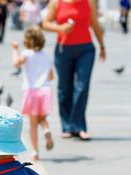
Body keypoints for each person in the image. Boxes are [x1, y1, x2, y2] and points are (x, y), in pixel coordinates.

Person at [42, 0, 106, 141]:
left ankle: (79, 126)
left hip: (86, 49)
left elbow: (94, 23)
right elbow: (45, 24)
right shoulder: (56, 2)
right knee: (64, 89)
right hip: (64, 49)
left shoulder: (89, 2)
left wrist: (102, 45)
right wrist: (60, 28)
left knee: (82, 87)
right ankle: (67, 126)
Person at [12, 26, 54, 160]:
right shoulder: (46, 56)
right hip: (45, 91)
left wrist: (15, 49)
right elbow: (51, 76)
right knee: (42, 119)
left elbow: (16, 63)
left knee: (33, 124)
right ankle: (47, 130)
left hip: (31, 91)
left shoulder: (26, 53)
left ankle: (35, 152)